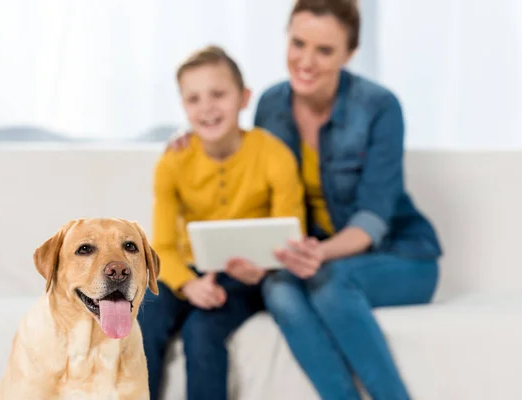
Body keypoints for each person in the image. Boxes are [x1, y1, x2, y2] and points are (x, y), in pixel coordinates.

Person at [167, 1, 442, 399]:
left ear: (349, 55)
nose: (306, 61)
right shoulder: (272, 105)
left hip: (399, 256)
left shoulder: (380, 107)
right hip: (311, 256)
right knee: (277, 289)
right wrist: (193, 135)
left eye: (325, 50)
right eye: (298, 43)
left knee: (331, 285)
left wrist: (322, 253)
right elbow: (245, 156)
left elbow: (375, 217)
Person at [137, 45, 306, 400]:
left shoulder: (274, 155)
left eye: (218, 94)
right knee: (145, 317)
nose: (207, 108)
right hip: (186, 271)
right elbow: (162, 247)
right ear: (183, 107)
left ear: (244, 98)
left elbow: (291, 235)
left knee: (203, 330)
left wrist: (262, 270)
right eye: (194, 99)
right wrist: (187, 285)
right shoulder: (173, 162)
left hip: (249, 275)